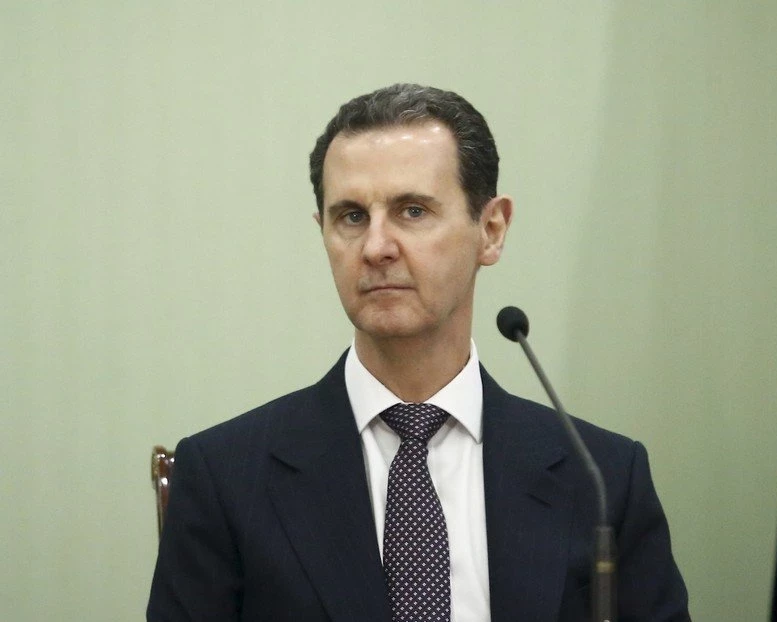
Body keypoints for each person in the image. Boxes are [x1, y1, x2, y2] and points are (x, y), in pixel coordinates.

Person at [147, 83, 690, 621]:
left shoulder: (602, 480)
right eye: (351, 217)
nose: (376, 247)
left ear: (491, 230)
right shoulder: (225, 478)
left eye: (412, 211)